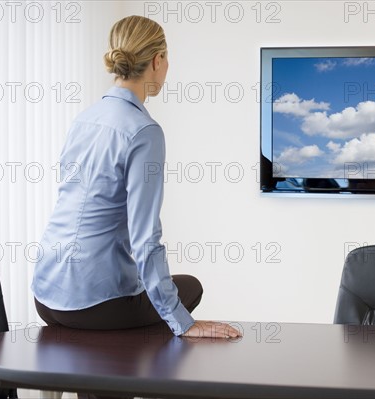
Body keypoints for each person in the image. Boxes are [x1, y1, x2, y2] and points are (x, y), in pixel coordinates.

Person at [31, 15, 241, 389]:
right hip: (91, 306)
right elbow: (145, 238)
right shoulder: (144, 130)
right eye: (168, 59)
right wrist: (184, 322)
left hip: (45, 296)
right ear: (158, 61)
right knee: (188, 288)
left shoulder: (85, 119)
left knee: (154, 298)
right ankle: (130, 384)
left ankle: (104, 383)